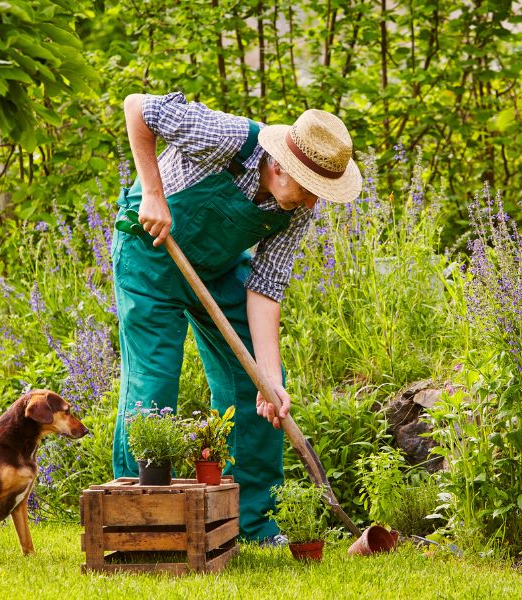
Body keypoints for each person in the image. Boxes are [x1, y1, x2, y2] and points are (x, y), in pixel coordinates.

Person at [111, 91, 362, 543]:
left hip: (217, 268)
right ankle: (139, 518)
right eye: (308, 189)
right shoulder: (228, 137)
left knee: (262, 388)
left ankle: (248, 521)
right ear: (281, 166)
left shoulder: (296, 210)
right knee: (154, 388)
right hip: (150, 255)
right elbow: (137, 107)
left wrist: (269, 376)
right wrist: (152, 193)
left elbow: (266, 287)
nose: (310, 204)